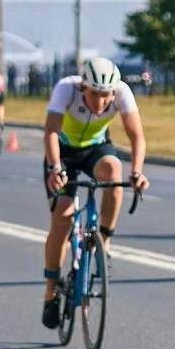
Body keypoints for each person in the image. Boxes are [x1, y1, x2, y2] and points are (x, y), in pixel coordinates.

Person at [41, 56, 150, 329]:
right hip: (63, 155)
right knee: (63, 216)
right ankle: (51, 289)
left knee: (114, 176)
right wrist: (55, 168)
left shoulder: (122, 92)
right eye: (95, 95)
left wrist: (136, 172)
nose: (101, 103)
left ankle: (105, 242)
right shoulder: (66, 87)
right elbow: (51, 132)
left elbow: (137, 136)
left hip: (95, 149)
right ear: (83, 89)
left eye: (106, 96)